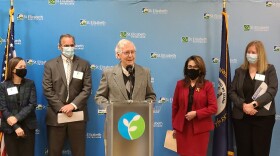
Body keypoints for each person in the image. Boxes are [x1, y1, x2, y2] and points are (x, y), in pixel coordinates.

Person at [95, 39, 156, 155]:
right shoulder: (108, 73)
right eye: (126, 52)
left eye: (133, 52)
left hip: (138, 129)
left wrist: (146, 105)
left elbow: (151, 96)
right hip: (115, 128)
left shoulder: (145, 72)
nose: (131, 55)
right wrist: (112, 108)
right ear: (118, 55)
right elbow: (99, 97)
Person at [43, 34, 92, 156]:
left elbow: (87, 89)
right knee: (54, 152)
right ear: (59, 47)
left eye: (71, 45)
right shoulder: (50, 65)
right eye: (66, 45)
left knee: (79, 152)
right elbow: (47, 90)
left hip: (77, 115)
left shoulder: (84, 64)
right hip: (56, 116)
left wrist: (73, 105)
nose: (69, 48)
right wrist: (62, 108)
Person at [229, 40, 278, 156]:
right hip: (241, 118)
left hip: (263, 119)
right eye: (248, 52)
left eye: (253, 52)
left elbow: (272, 90)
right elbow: (232, 91)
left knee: (260, 152)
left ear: (260, 54)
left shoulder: (269, 70)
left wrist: (254, 104)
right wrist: (243, 105)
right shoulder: (239, 71)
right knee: (243, 151)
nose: (250, 54)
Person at [172, 55, 217, 156]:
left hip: (200, 130)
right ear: (186, 68)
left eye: (195, 67)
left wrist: (196, 113)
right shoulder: (180, 84)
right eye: (190, 67)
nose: (192, 69)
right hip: (182, 129)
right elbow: (175, 107)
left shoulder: (207, 85)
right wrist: (175, 126)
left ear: (200, 69)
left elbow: (213, 108)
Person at [0, 57, 37, 156]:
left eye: (25, 66)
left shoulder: (30, 84)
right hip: (10, 128)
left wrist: (16, 118)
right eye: (21, 66)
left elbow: (32, 104)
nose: (24, 69)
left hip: (28, 126)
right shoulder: (3, 86)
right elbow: (3, 107)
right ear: (12, 69)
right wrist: (15, 126)